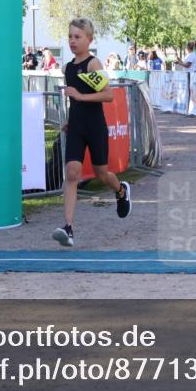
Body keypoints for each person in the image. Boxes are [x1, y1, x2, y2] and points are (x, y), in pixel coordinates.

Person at [53, 18, 132, 247]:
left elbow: (108, 95)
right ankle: (68, 228)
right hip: (76, 127)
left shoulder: (93, 64)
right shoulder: (67, 68)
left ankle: (121, 190)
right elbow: (74, 102)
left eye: (77, 37)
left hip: (95, 126)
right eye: (70, 36)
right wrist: (70, 121)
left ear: (89, 40)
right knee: (72, 173)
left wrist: (80, 95)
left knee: (101, 173)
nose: (72, 41)